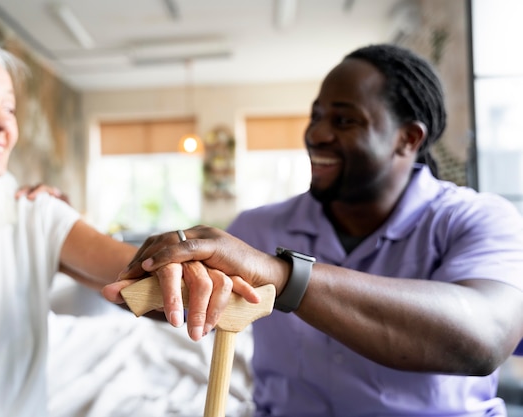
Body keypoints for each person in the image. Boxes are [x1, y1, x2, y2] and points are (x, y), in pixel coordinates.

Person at [107, 44, 523, 416]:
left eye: (344, 120)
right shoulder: (259, 226)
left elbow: (483, 338)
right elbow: (176, 306)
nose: (316, 134)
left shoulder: (479, 220)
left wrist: (282, 276)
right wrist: (155, 275)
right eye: (317, 115)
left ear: (407, 139)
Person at [0, 31, 257, 417]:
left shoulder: (36, 215)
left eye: (9, 107)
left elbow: (136, 266)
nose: (3, 123)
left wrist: (186, 266)